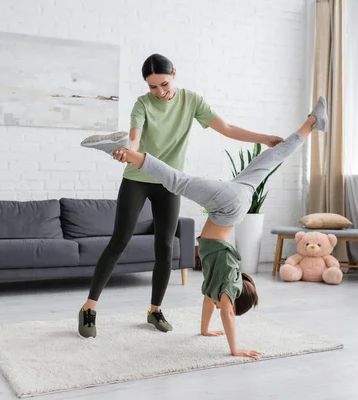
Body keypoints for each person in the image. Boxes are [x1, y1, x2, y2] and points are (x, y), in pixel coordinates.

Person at [82, 96, 329, 359]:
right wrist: (236, 349)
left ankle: (313, 121)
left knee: (274, 156)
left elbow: (211, 306)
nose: (219, 305)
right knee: (178, 181)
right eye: (227, 305)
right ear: (232, 300)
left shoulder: (215, 287)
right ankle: (125, 151)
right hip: (228, 205)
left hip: (239, 196)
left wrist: (204, 330)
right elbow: (227, 314)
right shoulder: (227, 288)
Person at [76, 53, 285, 339]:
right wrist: (126, 149)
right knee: (119, 240)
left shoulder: (191, 101)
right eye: (152, 87)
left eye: (164, 84)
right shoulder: (142, 104)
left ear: (174, 73)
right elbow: (136, 137)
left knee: (165, 245)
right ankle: (89, 307)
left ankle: (155, 310)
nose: (160, 92)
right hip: (137, 179)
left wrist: (263, 138)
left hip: (170, 182)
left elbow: (227, 128)